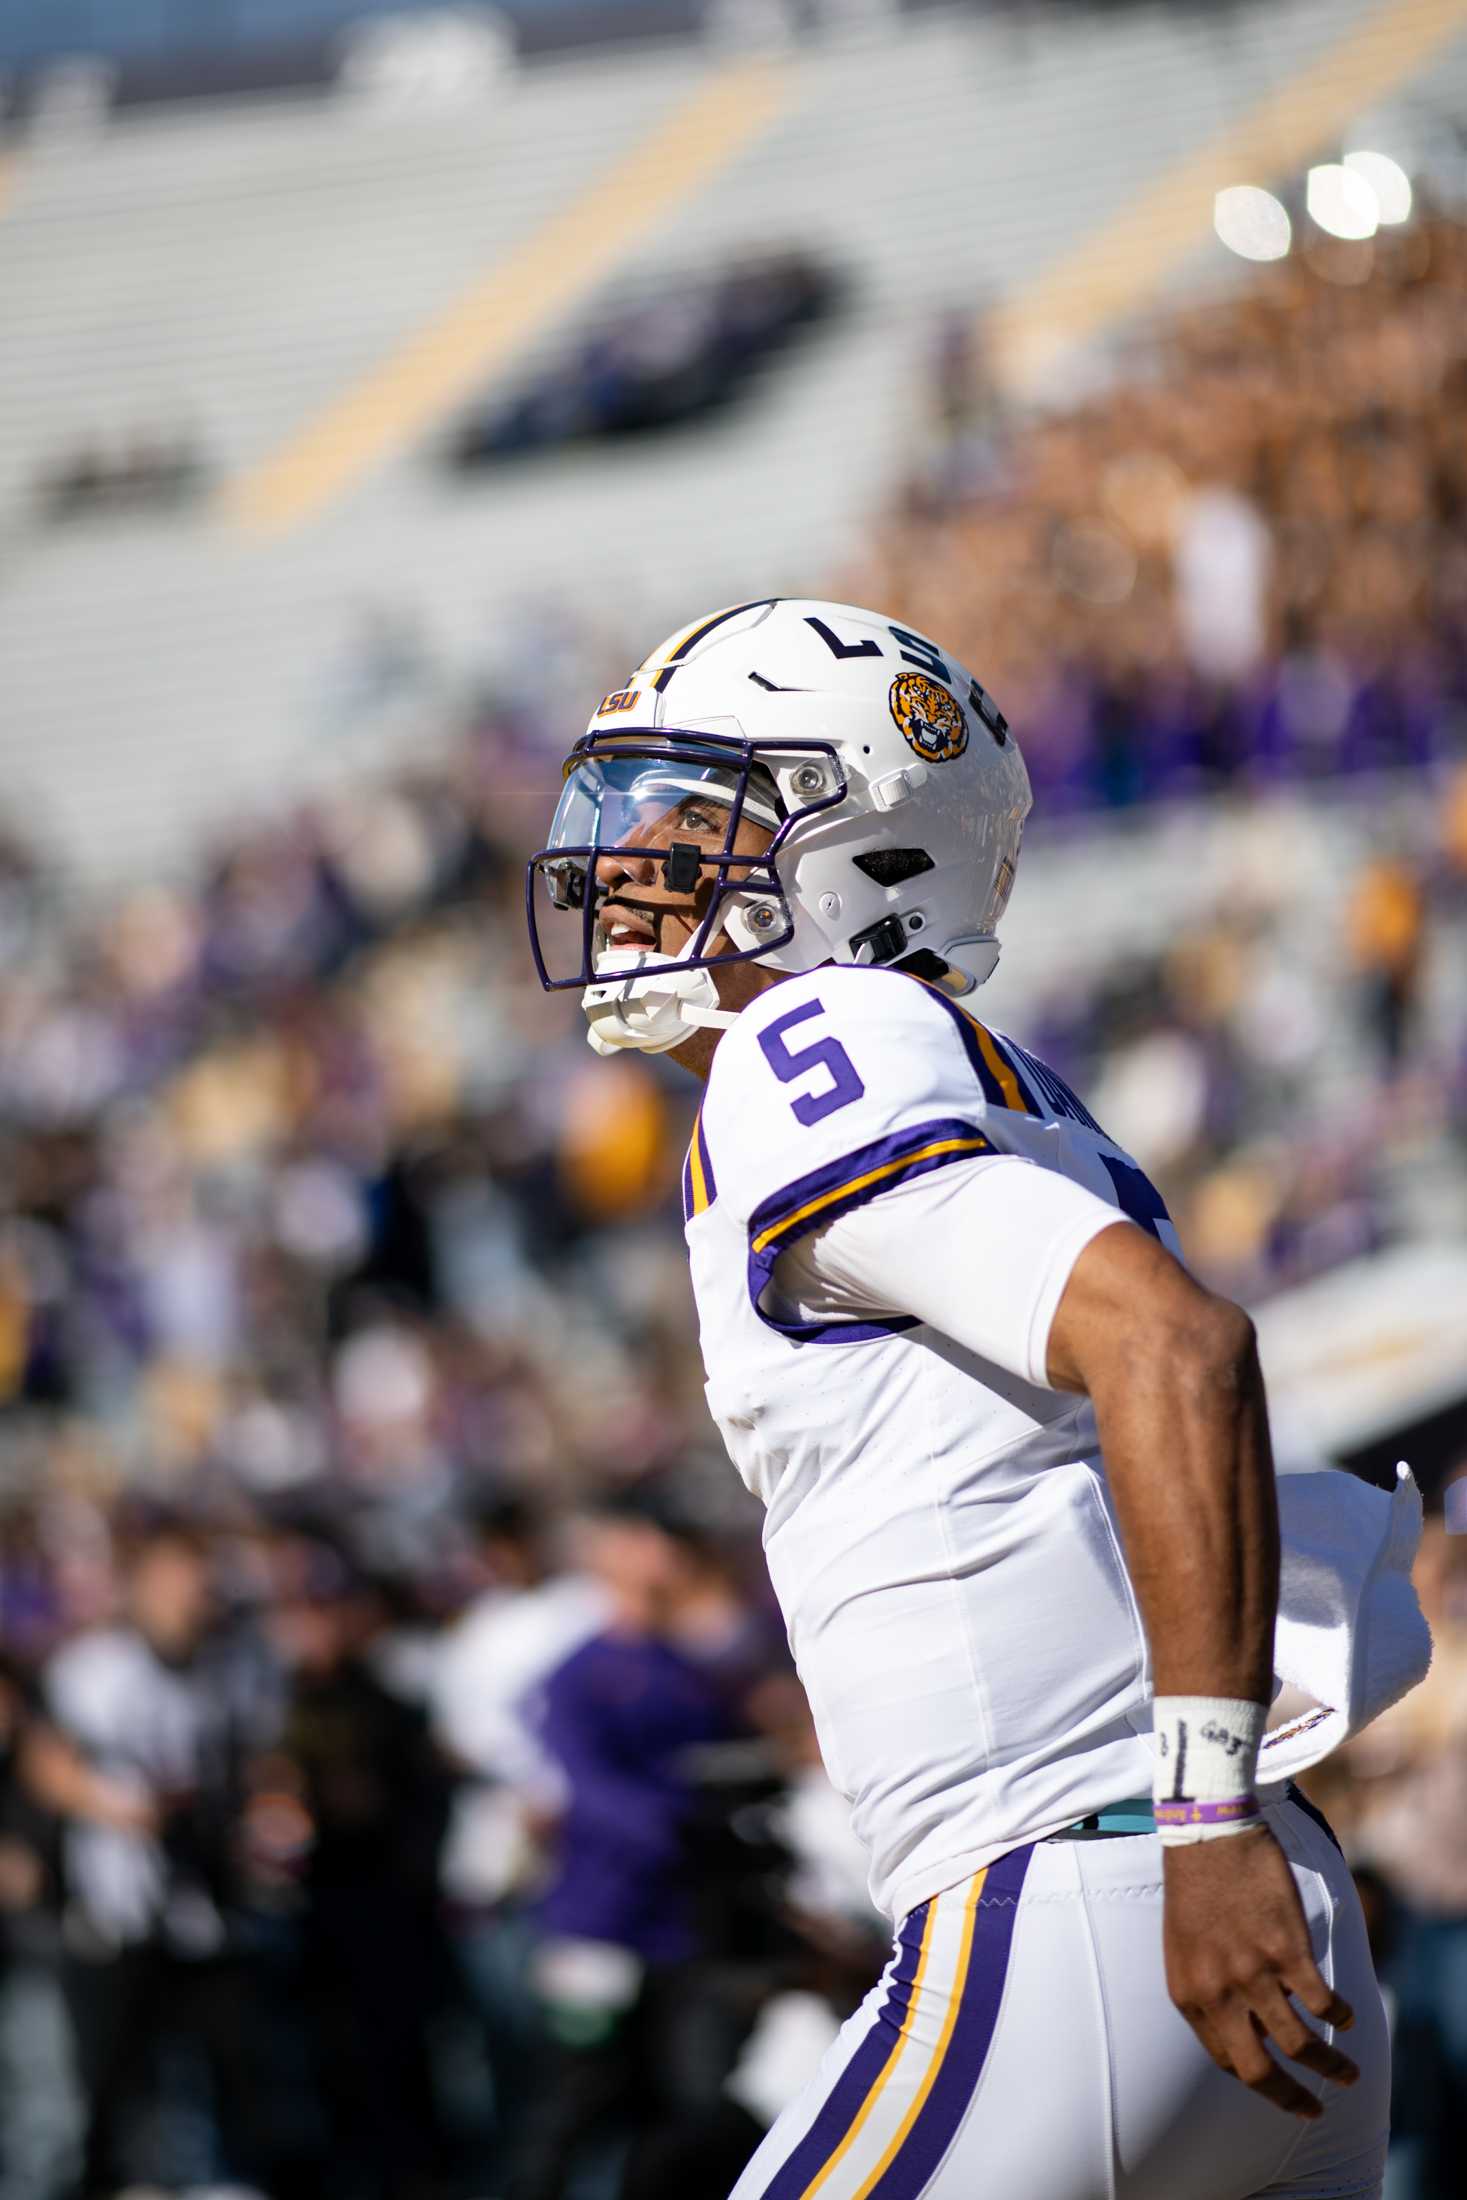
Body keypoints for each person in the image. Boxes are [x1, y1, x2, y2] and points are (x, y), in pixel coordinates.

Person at [525, 597, 1428, 2199]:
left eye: (697, 814)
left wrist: (1198, 1823)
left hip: (1097, 1904)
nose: (636, 862)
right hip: (1229, 1901)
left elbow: (1178, 1350)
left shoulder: (818, 1033)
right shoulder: (975, 1071)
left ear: (859, 850)